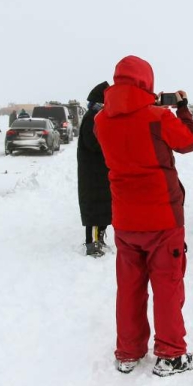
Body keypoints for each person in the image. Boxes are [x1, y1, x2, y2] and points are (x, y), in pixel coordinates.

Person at [94, 55, 193, 377]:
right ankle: (170, 354)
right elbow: (190, 142)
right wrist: (181, 108)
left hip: (125, 220)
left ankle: (128, 351)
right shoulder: (158, 117)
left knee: (129, 287)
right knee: (167, 285)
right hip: (163, 219)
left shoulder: (101, 121)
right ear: (147, 84)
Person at [77, 81, 112, 257]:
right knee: (94, 209)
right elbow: (93, 143)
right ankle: (92, 244)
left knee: (102, 207)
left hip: (99, 170)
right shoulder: (93, 117)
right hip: (93, 172)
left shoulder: (97, 115)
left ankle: (99, 239)